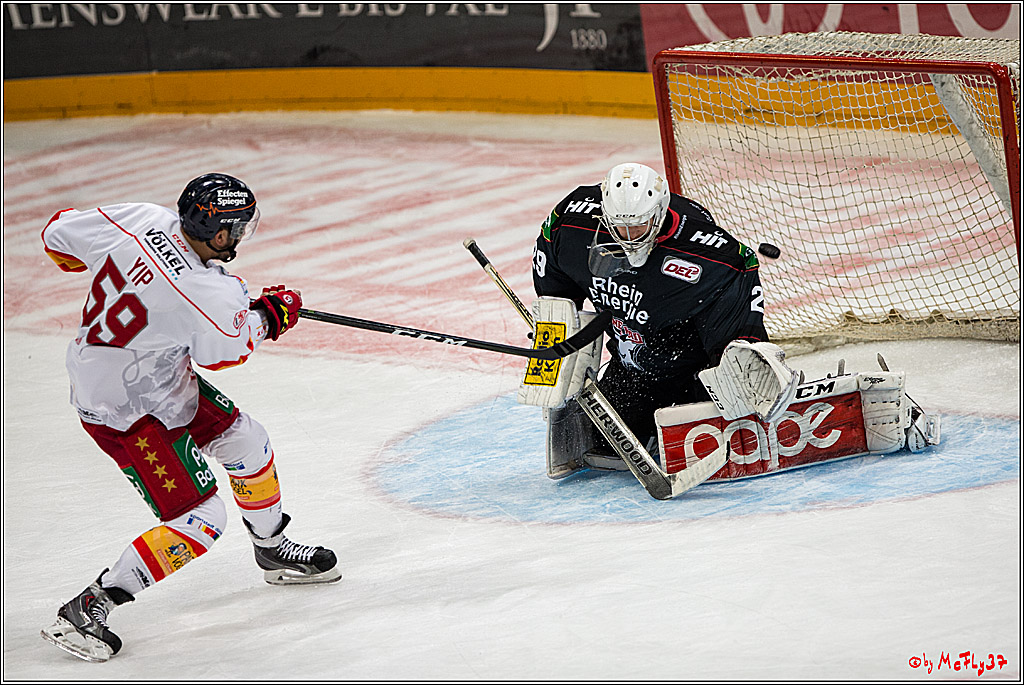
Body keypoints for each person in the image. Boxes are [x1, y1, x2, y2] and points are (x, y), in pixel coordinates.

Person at [39, 173, 340, 663]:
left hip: (150, 374)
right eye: (238, 228)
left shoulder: (143, 217)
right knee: (202, 519)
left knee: (247, 441)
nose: (242, 236)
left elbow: (57, 236)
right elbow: (227, 351)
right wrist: (272, 316)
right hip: (125, 409)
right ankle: (90, 606)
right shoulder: (206, 291)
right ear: (219, 235)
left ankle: (272, 547)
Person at [530, 162, 786, 471]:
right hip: (633, 368)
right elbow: (555, 288)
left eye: (638, 226)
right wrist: (552, 334)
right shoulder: (569, 224)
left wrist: (743, 361)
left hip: (691, 368)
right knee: (600, 445)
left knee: (719, 433)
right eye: (619, 226)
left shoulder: (709, 253)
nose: (628, 237)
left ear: (659, 213)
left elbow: (741, 271)